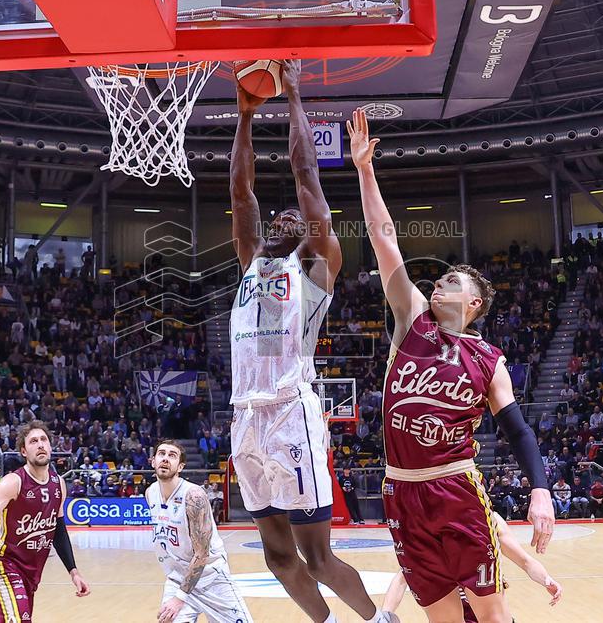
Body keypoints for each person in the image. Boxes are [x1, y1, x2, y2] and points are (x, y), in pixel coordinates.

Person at [349, 107, 554, 623]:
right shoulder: (412, 319)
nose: (438, 284)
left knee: (491, 615)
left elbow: (519, 431)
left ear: (475, 304)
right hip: (401, 489)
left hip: (456, 488)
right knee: (441, 618)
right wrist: (365, 172)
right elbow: (385, 239)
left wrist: (541, 491)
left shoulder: (489, 359)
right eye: (439, 280)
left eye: (452, 283)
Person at [228, 62, 392, 623]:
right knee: (277, 558)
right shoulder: (253, 260)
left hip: (290, 412)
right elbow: (241, 189)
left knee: (317, 556)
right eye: (280, 214)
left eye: (295, 215)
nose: (284, 214)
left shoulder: (317, 269)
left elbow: (307, 177)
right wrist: (246, 117)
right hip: (245, 417)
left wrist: (293, 92)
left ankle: (376, 620)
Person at [0, 421, 90, 621]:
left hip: (31, 573)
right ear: (24, 451)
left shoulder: (58, 484)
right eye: (33, 441)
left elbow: (58, 530)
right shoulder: (13, 482)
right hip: (3, 566)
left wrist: (73, 572)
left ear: (50, 446)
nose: (40, 444)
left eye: (44, 440)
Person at [383, 512, 562, 621]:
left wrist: (546, 579)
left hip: (490, 615)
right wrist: (385, 615)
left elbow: (525, 561)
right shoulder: (432, 527)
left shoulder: (491, 521)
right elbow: (402, 578)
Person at [147, 441, 252, 623]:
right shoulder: (151, 493)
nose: (165, 458)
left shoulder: (193, 496)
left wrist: (180, 597)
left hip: (211, 579)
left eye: (172, 455)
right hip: (177, 578)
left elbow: (202, 554)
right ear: (153, 461)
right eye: (161, 454)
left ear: (180, 466)